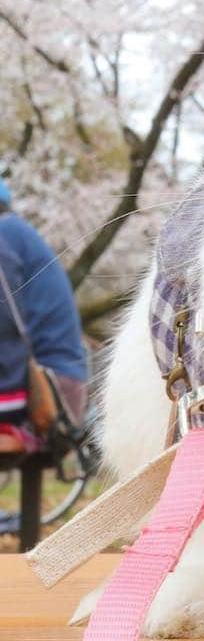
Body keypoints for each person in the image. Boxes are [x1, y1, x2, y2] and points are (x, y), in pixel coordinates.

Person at [0, 176, 87, 453]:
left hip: (46, 392)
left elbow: (7, 324)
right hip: (60, 380)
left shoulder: (4, 236)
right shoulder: (15, 232)